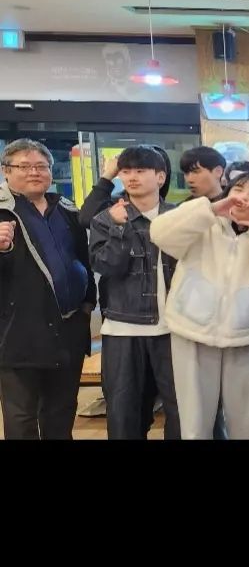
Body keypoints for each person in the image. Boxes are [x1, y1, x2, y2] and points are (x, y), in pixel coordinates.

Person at [150, 170, 249, 439]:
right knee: (195, 421)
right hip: (191, 330)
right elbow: (159, 233)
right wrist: (212, 209)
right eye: (238, 190)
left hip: (241, 336)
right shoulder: (203, 222)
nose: (245, 198)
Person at [0, 139, 96, 439]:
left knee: (61, 410)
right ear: (6, 171)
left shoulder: (66, 209)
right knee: (21, 416)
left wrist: (87, 305)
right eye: (24, 166)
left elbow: (84, 258)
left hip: (68, 327)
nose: (34, 172)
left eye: (41, 166)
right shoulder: (3, 212)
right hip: (17, 332)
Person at [88, 146, 180, 440]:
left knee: (181, 410)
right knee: (124, 413)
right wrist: (119, 228)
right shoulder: (106, 219)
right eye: (126, 171)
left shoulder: (179, 217)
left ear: (160, 176)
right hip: (123, 328)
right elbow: (107, 266)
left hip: (175, 328)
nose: (132, 177)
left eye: (141, 170)